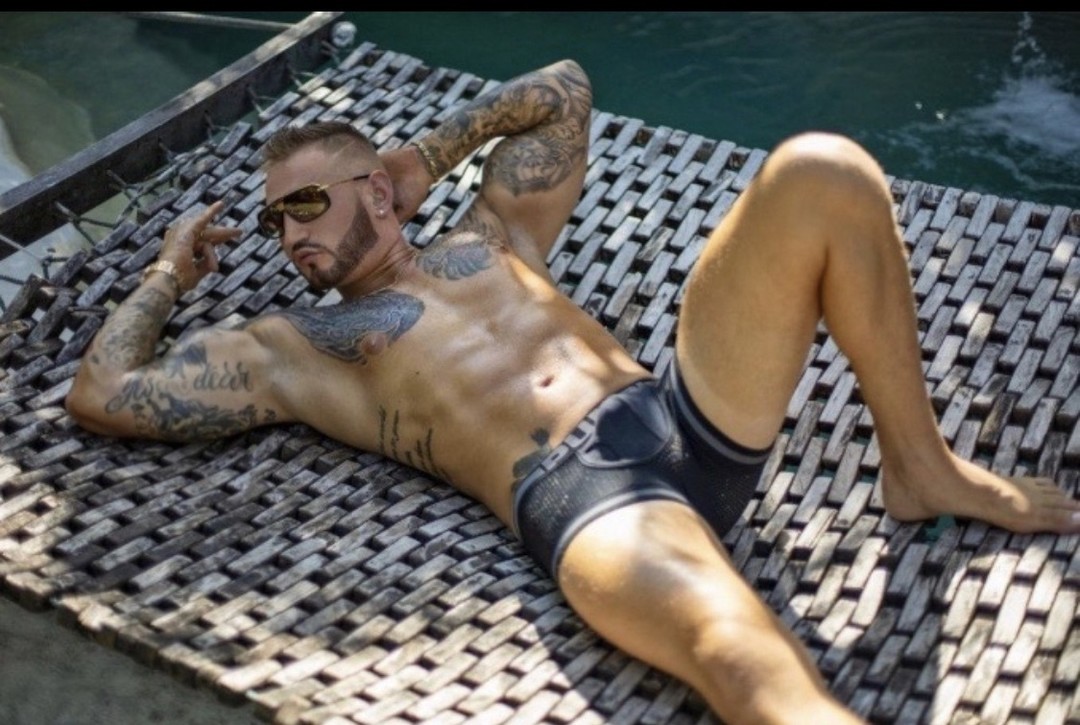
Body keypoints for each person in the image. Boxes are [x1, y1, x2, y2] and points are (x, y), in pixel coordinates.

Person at [66, 59, 1080, 724]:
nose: (289, 233)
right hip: (590, 501)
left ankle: (919, 465)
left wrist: (430, 154)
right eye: (275, 219)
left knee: (823, 168)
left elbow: (563, 89)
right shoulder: (295, 347)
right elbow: (105, 391)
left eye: (303, 203)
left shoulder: (491, 234)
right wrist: (169, 272)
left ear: (375, 189)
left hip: (679, 412)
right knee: (746, 662)